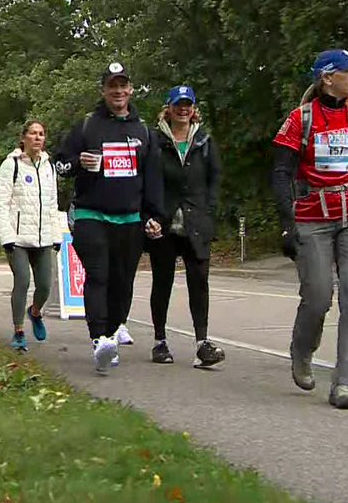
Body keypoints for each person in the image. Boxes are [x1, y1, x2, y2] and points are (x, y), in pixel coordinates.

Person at [270, 49, 348, 410]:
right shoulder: (300, 120)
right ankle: (302, 351)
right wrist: (286, 225)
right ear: (328, 78)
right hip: (312, 217)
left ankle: (344, 382)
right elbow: (280, 174)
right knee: (319, 296)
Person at [54, 62, 164, 374]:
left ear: (130, 90)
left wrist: (154, 217)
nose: (117, 91)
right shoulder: (87, 126)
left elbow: (152, 179)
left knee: (122, 283)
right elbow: (60, 163)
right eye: (111, 86)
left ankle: (111, 335)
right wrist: (78, 163)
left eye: (123, 85)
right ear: (103, 91)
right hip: (91, 214)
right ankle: (98, 338)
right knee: (98, 274)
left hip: (129, 219)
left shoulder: (143, 131)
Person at [147, 85, 225, 367]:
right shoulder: (154, 141)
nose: (183, 109)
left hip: (196, 223)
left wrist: (209, 210)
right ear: (168, 108)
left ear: (194, 109)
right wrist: (150, 216)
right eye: (178, 104)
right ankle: (159, 341)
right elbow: (147, 181)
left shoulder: (204, 141)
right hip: (164, 224)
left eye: (188, 104)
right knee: (163, 282)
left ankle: (202, 344)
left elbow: (215, 179)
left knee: (199, 282)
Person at [0, 120, 63, 352]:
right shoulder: (11, 164)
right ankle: (19, 331)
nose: (37, 138)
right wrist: (7, 237)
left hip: (43, 238)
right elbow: (1, 204)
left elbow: (53, 203)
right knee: (22, 281)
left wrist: (56, 235)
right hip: (18, 238)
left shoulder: (49, 166)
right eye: (33, 133)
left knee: (44, 286)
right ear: (23, 138)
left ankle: (35, 312)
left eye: (41, 134)